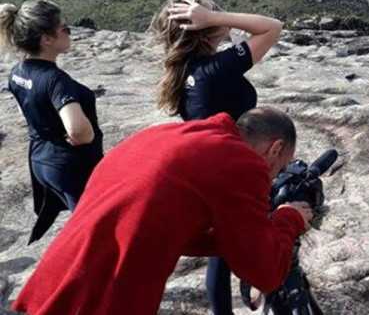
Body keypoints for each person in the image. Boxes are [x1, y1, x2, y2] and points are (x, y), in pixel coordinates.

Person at [11, 107, 314, 315]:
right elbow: (266, 273)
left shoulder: (167, 135)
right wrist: (288, 219)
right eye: (280, 167)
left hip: (53, 285)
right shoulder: (242, 164)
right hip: (101, 301)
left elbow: (174, 227)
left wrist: (256, 233)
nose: (274, 177)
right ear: (275, 149)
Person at [149, 0, 283, 315]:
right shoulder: (216, 68)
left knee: (221, 253)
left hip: (207, 169)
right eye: (213, 12)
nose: (221, 13)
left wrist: (211, 19)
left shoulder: (185, 70)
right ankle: (271, 295)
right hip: (231, 169)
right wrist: (215, 19)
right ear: (202, 26)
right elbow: (272, 27)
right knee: (256, 239)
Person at [0, 0, 103, 244]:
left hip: (41, 160)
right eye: (64, 28)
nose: (69, 32)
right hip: (72, 166)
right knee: (94, 233)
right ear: (46, 39)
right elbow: (78, 132)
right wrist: (84, 135)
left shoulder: (17, 71)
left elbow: (26, 108)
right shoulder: (56, 81)